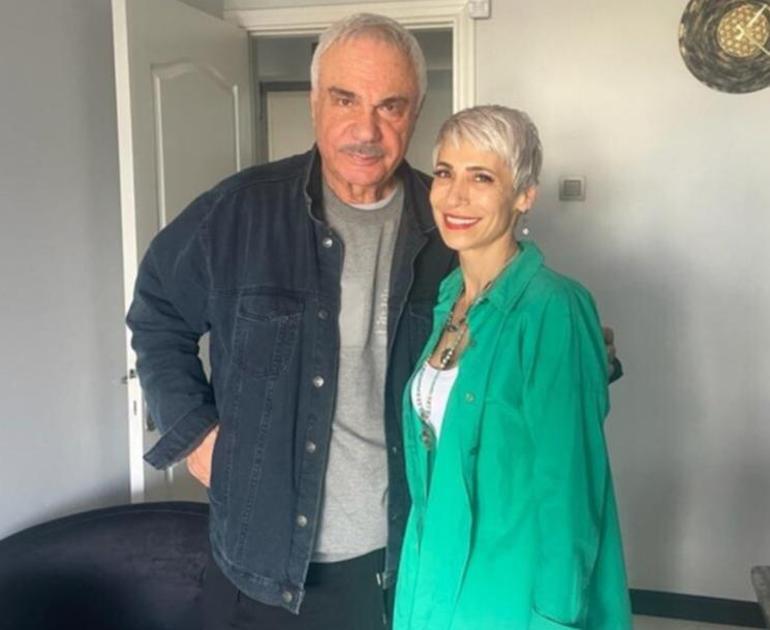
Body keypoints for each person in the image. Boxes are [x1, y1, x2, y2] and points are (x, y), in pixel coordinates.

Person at [127, 13, 621, 630]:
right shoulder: (240, 212)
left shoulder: (449, 228)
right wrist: (196, 433)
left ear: (415, 113)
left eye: (390, 106)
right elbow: (156, 312)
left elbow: (512, 356)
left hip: (400, 560)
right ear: (315, 101)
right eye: (345, 100)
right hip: (258, 557)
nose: (366, 129)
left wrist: (581, 349)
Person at [393, 105, 632, 629]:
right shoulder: (449, 298)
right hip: (434, 580)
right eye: (445, 173)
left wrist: (555, 619)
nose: (455, 196)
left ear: (524, 195)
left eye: (482, 177)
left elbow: (570, 491)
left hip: (511, 595)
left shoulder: (553, 308)